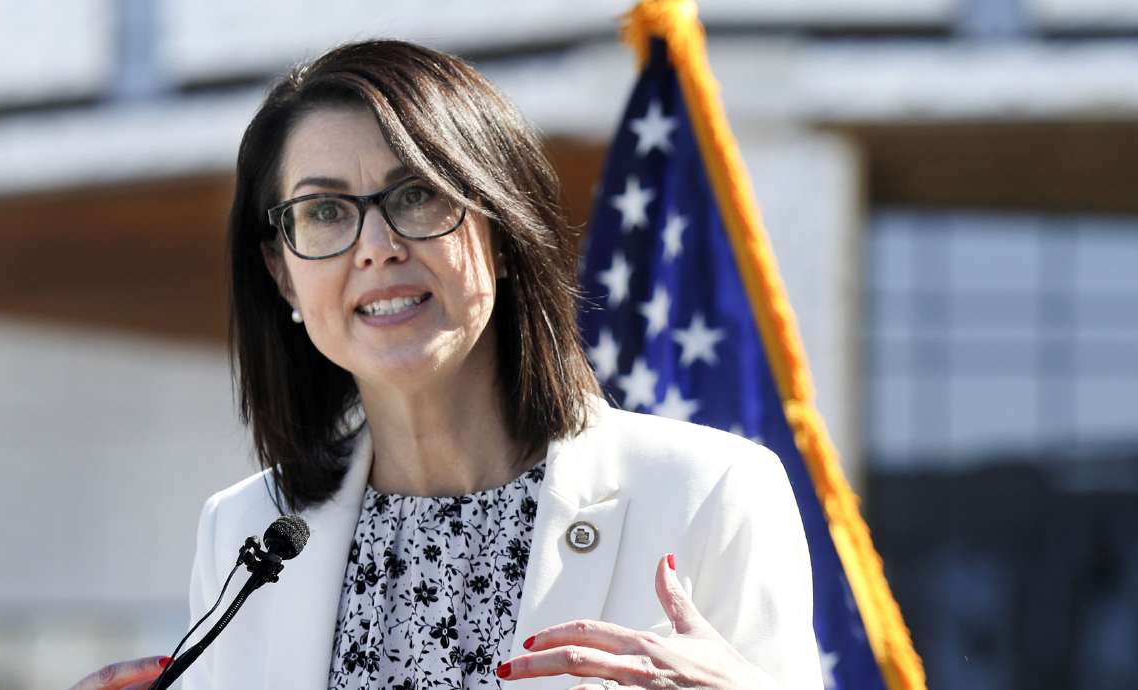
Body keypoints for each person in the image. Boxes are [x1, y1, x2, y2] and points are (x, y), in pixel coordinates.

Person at [69, 40, 822, 690]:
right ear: (281, 272)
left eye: (418, 195)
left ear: (501, 228)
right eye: (325, 211)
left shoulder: (708, 493)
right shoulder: (247, 529)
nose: (376, 246)